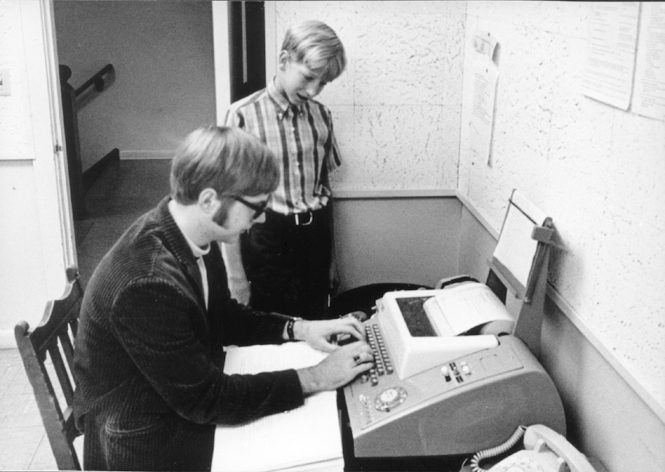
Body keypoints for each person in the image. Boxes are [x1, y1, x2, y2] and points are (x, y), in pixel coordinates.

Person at [72, 126, 373, 471]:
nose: (261, 219)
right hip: (143, 439)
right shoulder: (147, 281)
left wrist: (302, 329)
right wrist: (316, 377)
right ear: (209, 200)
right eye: (256, 207)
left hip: (175, 400)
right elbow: (207, 400)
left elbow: (223, 317)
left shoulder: (189, 231)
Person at [222, 20, 346, 320]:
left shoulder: (321, 116)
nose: (314, 90)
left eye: (324, 83)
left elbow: (324, 187)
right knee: (274, 330)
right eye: (308, 77)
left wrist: (331, 259)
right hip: (267, 241)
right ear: (283, 61)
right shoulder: (242, 116)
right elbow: (228, 201)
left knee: (317, 325)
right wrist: (235, 276)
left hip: (314, 239)